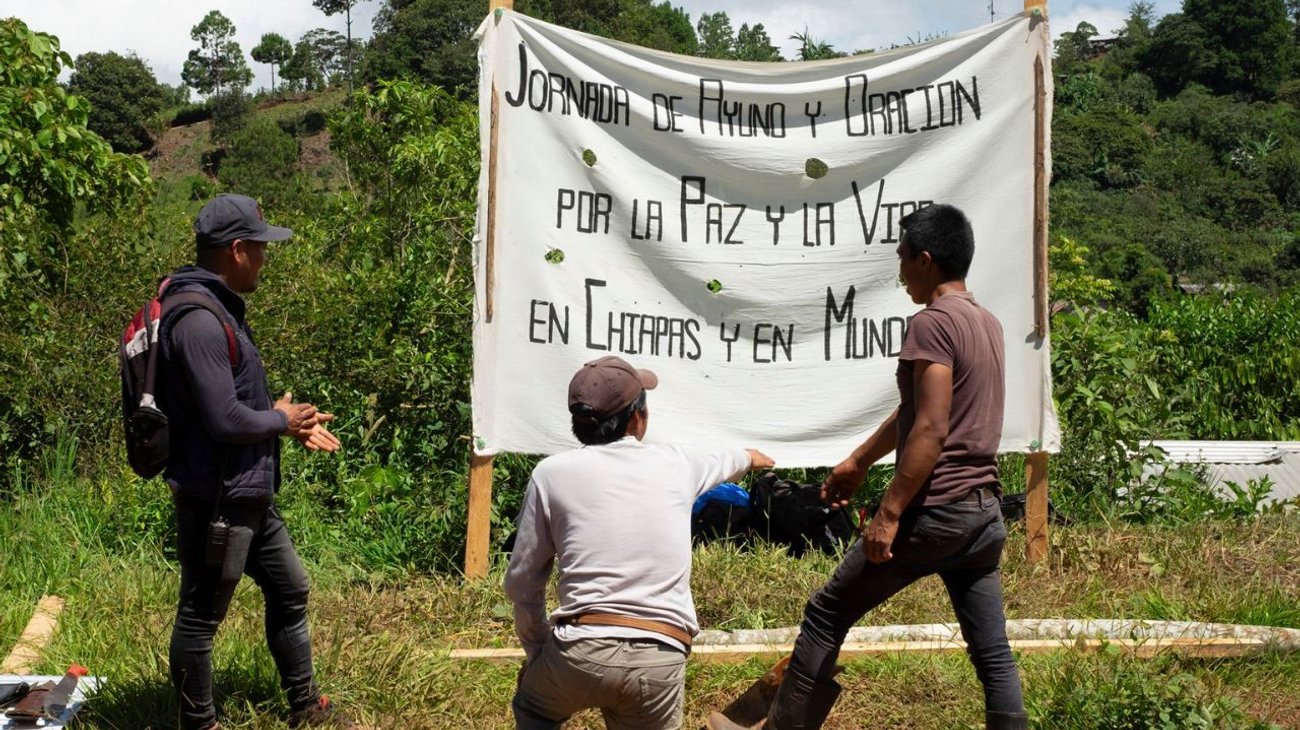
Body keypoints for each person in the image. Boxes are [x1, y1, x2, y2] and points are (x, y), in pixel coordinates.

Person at [710, 204, 1028, 730]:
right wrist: (858, 460)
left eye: (902, 257)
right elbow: (915, 412)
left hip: (937, 512)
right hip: (982, 515)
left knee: (825, 614)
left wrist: (890, 512)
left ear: (925, 260)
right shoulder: (985, 322)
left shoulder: (933, 322)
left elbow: (930, 430)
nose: (899, 269)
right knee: (991, 650)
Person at [159, 193, 352, 730]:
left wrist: (284, 420)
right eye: (262, 249)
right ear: (237, 250)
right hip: (219, 499)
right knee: (200, 618)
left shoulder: (215, 309)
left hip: (246, 491)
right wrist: (281, 420)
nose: (266, 260)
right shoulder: (198, 321)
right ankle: (200, 724)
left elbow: (224, 407)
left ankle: (307, 708)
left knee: (290, 587)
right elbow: (223, 420)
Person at [505, 355, 775, 730]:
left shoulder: (550, 474)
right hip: (660, 656)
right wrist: (750, 457)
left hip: (580, 650)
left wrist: (538, 650)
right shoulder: (678, 464)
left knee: (535, 708)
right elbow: (724, 459)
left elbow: (522, 581)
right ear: (637, 418)